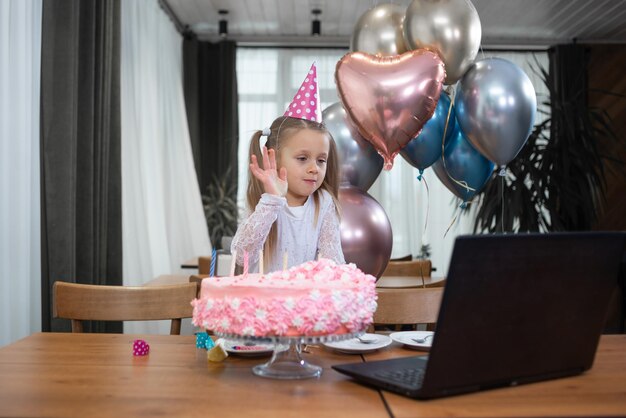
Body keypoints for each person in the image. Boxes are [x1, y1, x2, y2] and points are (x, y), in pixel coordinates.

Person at [230, 115, 345, 273]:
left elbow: (333, 264)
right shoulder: (264, 202)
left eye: (321, 160)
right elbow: (242, 257)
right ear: (275, 159)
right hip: (264, 295)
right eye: (302, 158)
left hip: (305, 296)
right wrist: (272, 201)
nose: (314, 168)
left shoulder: (323, 202)